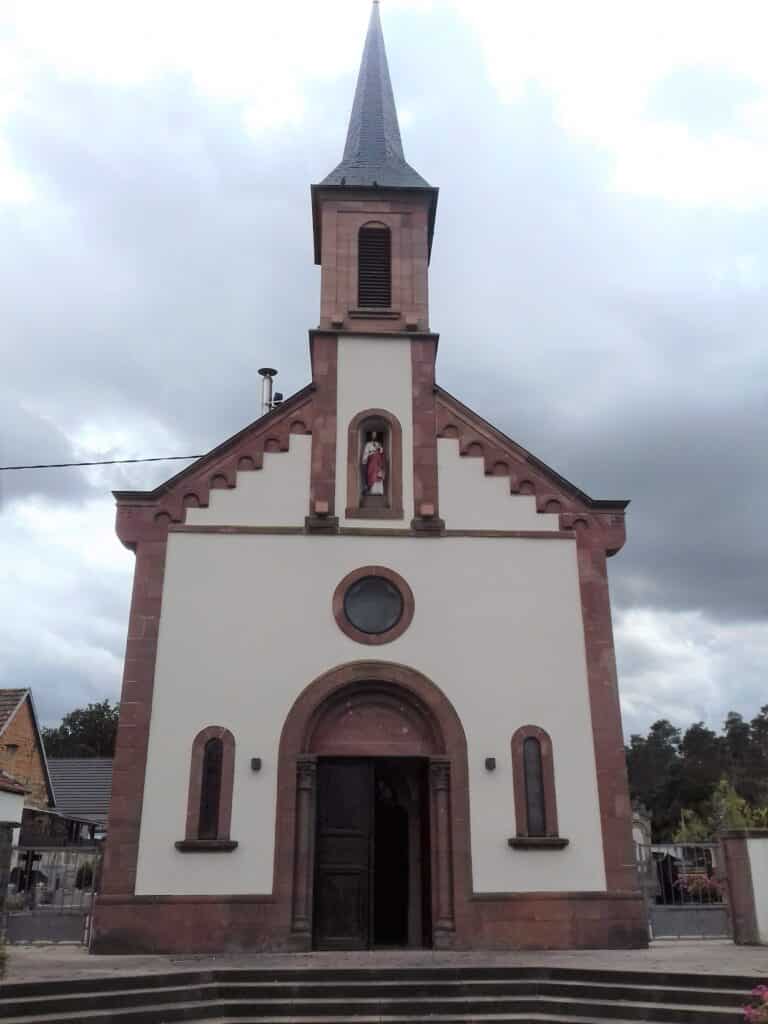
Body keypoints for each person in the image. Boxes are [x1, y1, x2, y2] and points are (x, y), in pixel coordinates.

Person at [361, 431, 386, 496]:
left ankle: (378, 491)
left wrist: (380, 450)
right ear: (371, 435)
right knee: (371, 475)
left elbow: (382, 452)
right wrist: (370, 454)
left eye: (375, 434)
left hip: (378, 462)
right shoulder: (368, 444)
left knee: (378, 475)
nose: (374, 436)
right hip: (371, 462)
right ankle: (371, 491)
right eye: (373, 434)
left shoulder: (378, 444)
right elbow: (366, 453)